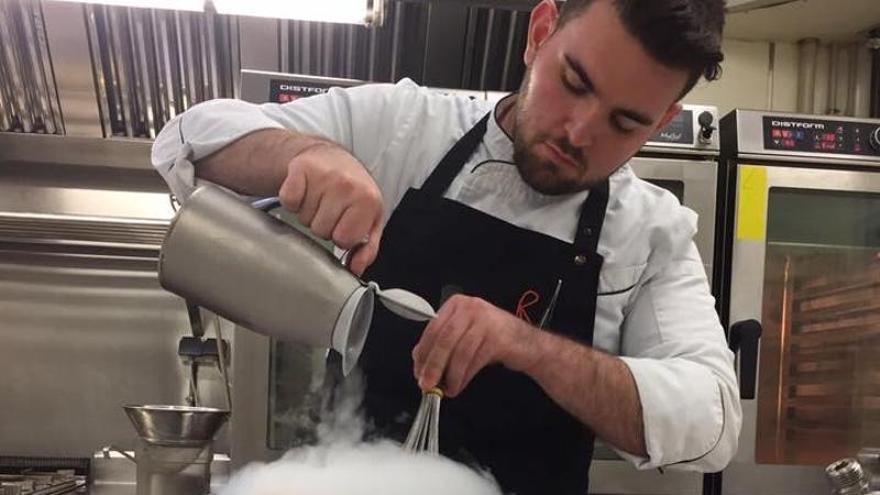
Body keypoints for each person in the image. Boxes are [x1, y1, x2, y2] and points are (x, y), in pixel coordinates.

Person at [151, 0, 741, 493]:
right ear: (540, 34)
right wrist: (303, 154)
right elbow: (187, 140)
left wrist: (529, 347)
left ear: (664, 119)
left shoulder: (651, 232)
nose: (579, 132)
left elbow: (711, 421)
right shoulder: (402, 126)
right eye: (574, 83)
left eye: (625, 122)